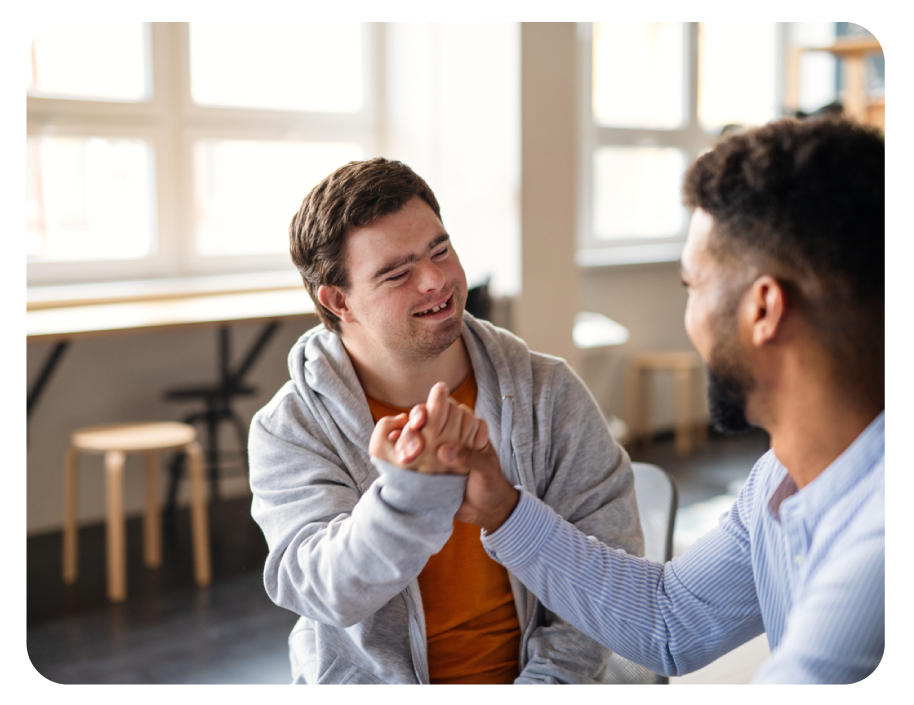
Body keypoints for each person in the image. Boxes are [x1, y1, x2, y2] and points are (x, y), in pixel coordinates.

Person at [381, 116, 886, 694]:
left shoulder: (879, 549)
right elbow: (672, 622)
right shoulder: (781, 480)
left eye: (691, 285)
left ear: (763, 309)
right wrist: (502, 508)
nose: (688, 315)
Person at [248, 158, 644, 694]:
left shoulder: (548, 392)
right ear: (339, 301)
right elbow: (325, 590)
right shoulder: (290, 427)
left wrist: (545, 688)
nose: (436, 280)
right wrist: (409, 496)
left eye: (440, 250)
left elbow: (605, 569)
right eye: (397, 273)